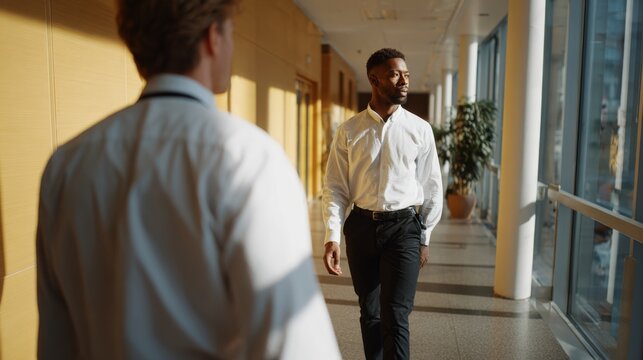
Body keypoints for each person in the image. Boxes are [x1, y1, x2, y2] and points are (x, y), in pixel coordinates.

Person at [36, 1, 341, 359]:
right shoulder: (248, 158)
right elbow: (294, 343)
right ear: (213, 38)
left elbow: (56, 339)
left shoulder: (67, 164)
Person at [322, 48, 443, 360]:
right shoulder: (349, 130)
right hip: (361, 228)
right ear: (374, 80)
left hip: (404, 228)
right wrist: (332, 235)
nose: (404, 81)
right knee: (371, 311)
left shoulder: (420, 129)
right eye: (395, 74)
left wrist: (424, 236)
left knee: (396, 313)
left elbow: (432, 187)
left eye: (406, 74)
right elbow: (335, 187)